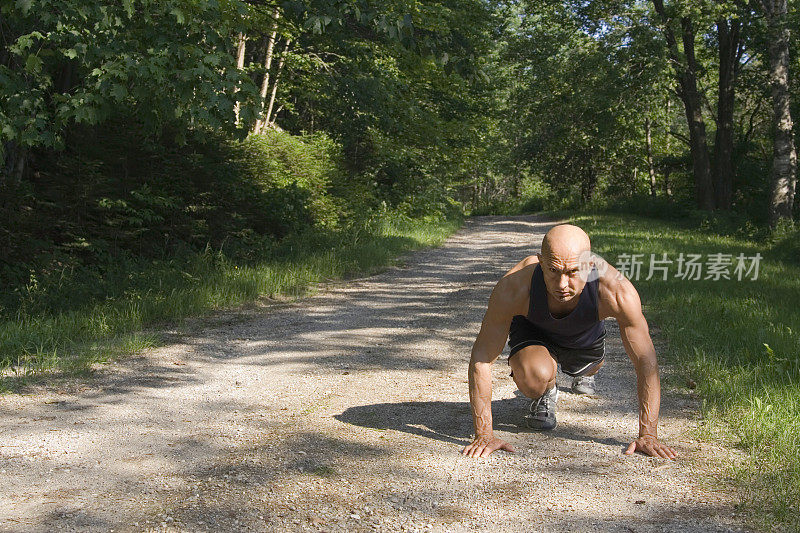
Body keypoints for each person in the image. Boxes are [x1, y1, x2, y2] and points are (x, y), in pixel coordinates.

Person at [461, 224, 677, 459]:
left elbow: (645, 361)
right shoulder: (514, 287)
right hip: (534, 332)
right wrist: (484, 434)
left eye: (573, 272)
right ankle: (547, 390)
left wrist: (648, 435)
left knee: (588, 367)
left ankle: (587, 369)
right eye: (553, 271)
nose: (562, 284)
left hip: (583, 333)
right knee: (533, 378)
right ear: (541, 262)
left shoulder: (616, 291)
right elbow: (481, 359)